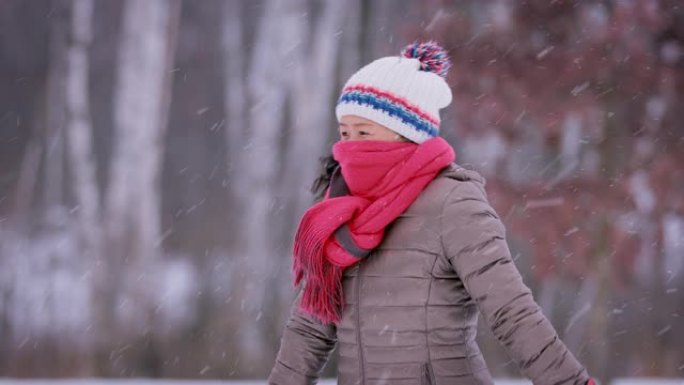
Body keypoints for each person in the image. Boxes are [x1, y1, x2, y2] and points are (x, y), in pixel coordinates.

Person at [268, 41, 595, 385]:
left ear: (406, 133)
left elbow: (510, 310)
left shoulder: (454, 202)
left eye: (364, 133)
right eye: (344, 133)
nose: (349, 148)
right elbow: (310, 327)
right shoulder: (336, 210)